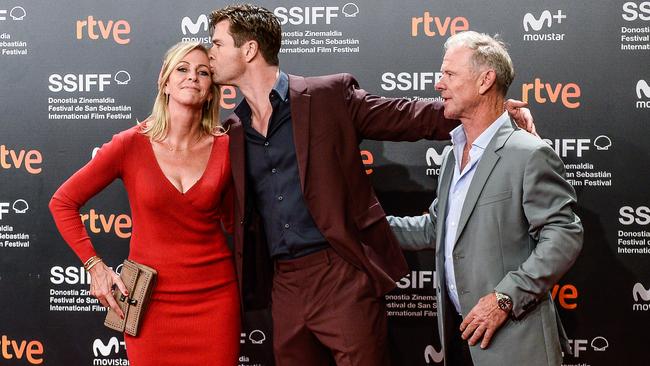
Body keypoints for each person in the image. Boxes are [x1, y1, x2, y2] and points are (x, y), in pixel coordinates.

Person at [207, 5, 536, 366]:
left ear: (249, 49)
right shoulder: (232, 132)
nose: (211, 53)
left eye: (217, 44)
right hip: (283, 284)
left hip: (342, 273)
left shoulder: (328, 95)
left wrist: (492, 113)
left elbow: (406, 116)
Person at [387, 31, 583, 366]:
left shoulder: (528, 153)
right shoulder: (452, 156)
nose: (438, 84)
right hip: (461, 340)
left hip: (517, 343)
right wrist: (355, 226)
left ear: (485, 80)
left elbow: (564, 235)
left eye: (449, 74)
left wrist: (505, 297)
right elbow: (437, 228)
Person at [49, 42, 240, 366]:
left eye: (203, 72)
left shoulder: (227, 147)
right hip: (148, 304)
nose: (192, 77)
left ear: (211, 91)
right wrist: (94, 267)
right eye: (182, 69)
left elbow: (238, 220)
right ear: (165, 83)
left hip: (215, 299)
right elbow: (63, 201)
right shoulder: (130, 144)